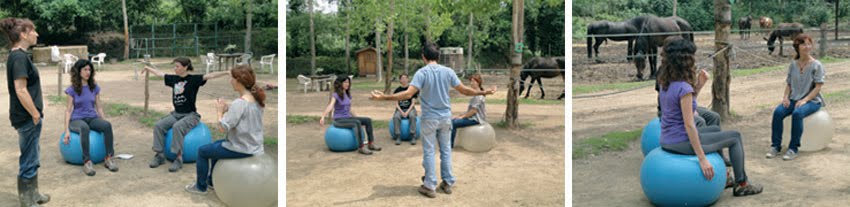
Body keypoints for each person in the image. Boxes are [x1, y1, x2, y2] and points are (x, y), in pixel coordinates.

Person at [370, 42, 496, 198]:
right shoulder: (448, 71)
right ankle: (448, 182)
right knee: (446, 150)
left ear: (423, 57)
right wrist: (485, 93)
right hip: (445, 118)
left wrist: (384, 97)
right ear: (438, 56)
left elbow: (408, 94)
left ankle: (430, 185)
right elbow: (464, 90)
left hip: (429, 118)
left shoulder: (421, 73)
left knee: (429, 152)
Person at [657, 38, 762, 197]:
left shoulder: (666, 82)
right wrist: (702, 158)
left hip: (667, 139)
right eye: (692, 56)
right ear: (685, 59)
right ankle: (742, 184)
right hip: (680, 141)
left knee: (713, 128)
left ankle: (725, 177)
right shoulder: (684, 87)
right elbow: (689, 125)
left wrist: (698, 85)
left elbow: (684, 106)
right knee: (735, 137)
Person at [184, 65, 266, 194]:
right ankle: (212, 181)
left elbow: (222, 128)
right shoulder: (256, 99)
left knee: (202, 151)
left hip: (242, 148)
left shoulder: (239, 103)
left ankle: (201, 187)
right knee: (216, 145)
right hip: (254, 144)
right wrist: (229, 109)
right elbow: (243, 117)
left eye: (232, 78)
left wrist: (219, 111)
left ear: (239, 81)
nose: (230, 81)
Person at [142, 58, 231, 172]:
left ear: (185, 67)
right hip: (176, 114)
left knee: (177, 127)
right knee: (159, 125)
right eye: (174, 66)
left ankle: (178, 159)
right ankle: (159, 155)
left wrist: (226, 72)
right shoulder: (174, 79)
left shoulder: (194, 79)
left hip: (191, 115)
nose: (175, 69)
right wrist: (148, 68)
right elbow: (160, 74)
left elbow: (210, 75)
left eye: (177, 66)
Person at [1, 17, 51, 206]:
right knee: (29, 157)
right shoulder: (19, 57)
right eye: (33, 31)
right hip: (27, 117)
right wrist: (35, 113)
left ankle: (34, 194)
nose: (37, 34)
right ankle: (26, 200)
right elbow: (20, 89)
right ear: (23, 34)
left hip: (28, 116)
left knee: (33, 155)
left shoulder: (19, 56)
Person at [766, 34, 825, 161]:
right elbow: (789, 84)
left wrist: (805, 100)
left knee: (797, 114)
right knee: (778, 112)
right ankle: (775, 146)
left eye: (809, 44)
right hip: (793, 99)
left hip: (812, 101)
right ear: (797, 46)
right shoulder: (793, 64)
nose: (807, 47)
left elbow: (818, 87)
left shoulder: (817, 65)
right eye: (804, 44)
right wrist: (785, 98)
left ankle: (793, 148)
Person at [63, 59, 118, 176]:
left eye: (89, 69)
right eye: (85, 69)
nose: (88, 72)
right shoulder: (72, 89)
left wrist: (103, 122)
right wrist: (67, 130)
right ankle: (87, 162)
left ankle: (109, 158)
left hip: (92, 118)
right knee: (84, 128)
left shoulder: (94, 87)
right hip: (76, 120)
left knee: (107, 125)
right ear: (78, 71)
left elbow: (99, 108)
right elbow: (68, 111)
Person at [319, 76, 382, 155]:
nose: (347, 84)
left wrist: (356, 117)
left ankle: (371, 143)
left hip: (347, 118)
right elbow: (331, 106)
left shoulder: (347, 94)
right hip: (339, 120)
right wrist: (323, 116)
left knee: (367, 120)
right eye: (345, 82)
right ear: (340, 83)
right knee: (356, 123)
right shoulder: (336, 95)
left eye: (348, 82)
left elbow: (349, 109)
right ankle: (361, 147)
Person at [450, 73, 488, 148]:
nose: (471, 83)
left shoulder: (478, 95)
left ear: (478, 82)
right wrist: (461, 115)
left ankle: (449, 145)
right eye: (471, 81)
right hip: (472, 117)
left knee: (452, 123)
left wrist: (462, 117)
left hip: (477, 119)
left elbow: (473, 111)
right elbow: (471, 110)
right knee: (453, 119)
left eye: (474, 81)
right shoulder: (475, 93)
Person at [391, 74, 419, 145]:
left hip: (410, 108)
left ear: (408, 79)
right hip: (400, 109)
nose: (404, 80)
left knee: (412, 116)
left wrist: (407, 112)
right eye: (402, 78)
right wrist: (401, 112)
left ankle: (413, 135)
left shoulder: (411, 90)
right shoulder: (397, 90)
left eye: (405, 78)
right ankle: (398, 136)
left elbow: (413, 103)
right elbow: (396, 103)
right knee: (396, 117)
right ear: (400, 80)